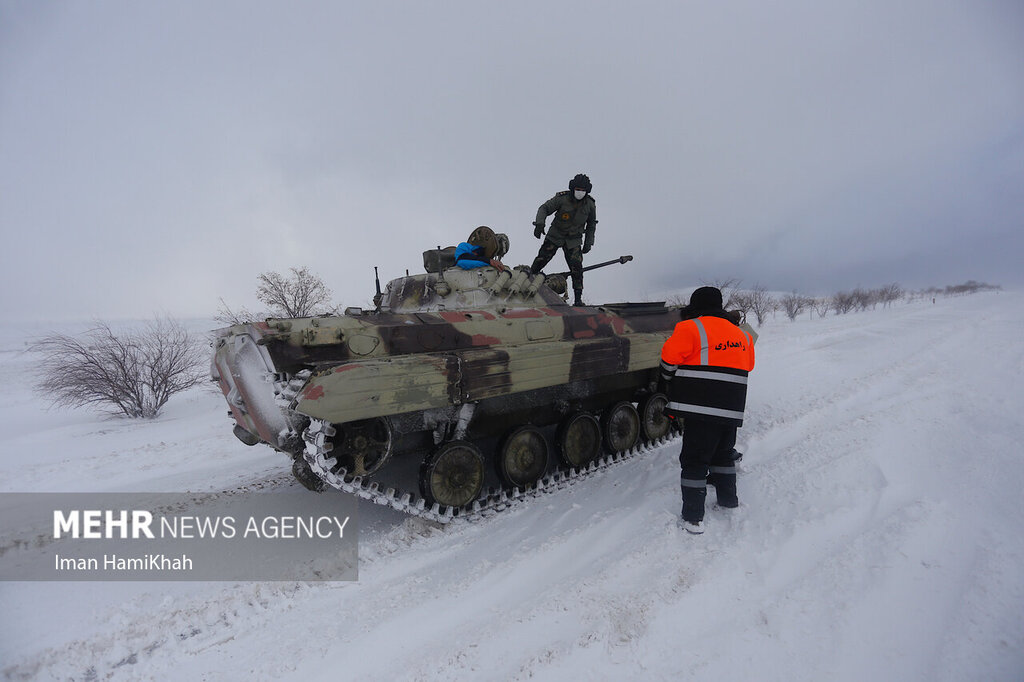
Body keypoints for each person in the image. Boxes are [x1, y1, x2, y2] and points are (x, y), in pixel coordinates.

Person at [659, 286, 756, 534]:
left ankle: (692, 518)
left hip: (701, 406)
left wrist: (669, 378)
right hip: (732, 407)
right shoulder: (741, 334)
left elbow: (669, 359)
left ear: (697, 307)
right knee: (723, 454)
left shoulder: (691, 327)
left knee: (694, 460)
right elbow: (749, 365)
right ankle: (728, 501)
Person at [530, 173, 597, 306]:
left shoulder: (590, 205)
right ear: (573, 188)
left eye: (583, 190)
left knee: (577, 269)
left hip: (574, 240)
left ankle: (578, 299)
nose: (580, 192)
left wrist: (589, 242)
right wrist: (540, 223)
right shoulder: (562, 199)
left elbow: (591, 225)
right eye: (578, 189)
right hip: (556, 235)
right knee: (540, 261)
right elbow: (544, 208)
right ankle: (528, 285)